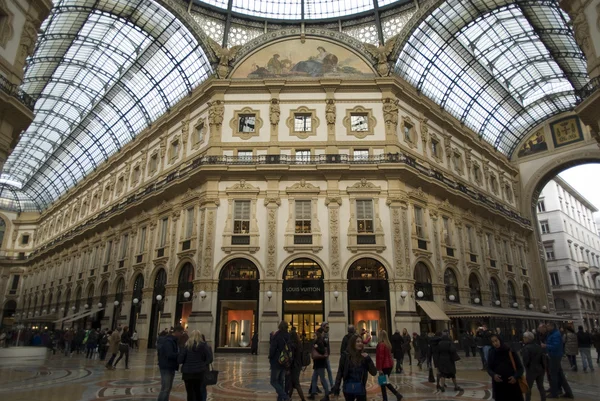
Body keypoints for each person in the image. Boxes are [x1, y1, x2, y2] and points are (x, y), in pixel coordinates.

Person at [332, 334, 377, 401]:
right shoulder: (345, 356)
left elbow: (374, 372)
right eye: (357, 342)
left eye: (361, 342)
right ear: (353, 343)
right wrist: (336, 389)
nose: (360, 343)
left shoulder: (364, 356)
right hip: (348, 389)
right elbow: (340, 372)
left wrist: (369, 359)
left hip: (361, 389)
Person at [487, 333, 524, 401]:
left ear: (500, 340)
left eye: (496, 340)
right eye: (493, 342)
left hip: (512, 385)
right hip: (499, 386)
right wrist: (493, 375)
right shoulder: (491, 352)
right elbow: (489, 368)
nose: (495, 343)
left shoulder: (510, 351)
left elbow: (520, 368)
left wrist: (515, 377)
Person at [178, 330, 213, 401]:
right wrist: (203, 364)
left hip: (187, 372)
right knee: (198, 392)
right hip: (199, 372)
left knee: (190, 393)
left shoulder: (186, 346)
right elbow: (209, 358)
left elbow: (180, 360)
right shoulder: (203, 346)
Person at [543, 322, 574, 399]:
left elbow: (555, 346)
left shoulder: (555, 334)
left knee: (553, 375)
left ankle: (554, 393)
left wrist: (546, 345)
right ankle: (568, 392)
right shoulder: (551, 333)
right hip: (553, 355)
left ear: (552, 326)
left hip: (555, 356)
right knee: (560, 375)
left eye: (548, 326)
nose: (546, 328)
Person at [375, 330, 404, 401]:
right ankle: (396, 395)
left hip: (384, 366)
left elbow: (381, 357)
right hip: (389, 365)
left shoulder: (381, 344)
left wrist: (380, 368)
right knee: (385, 382)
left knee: (384, 383)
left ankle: (392, 396)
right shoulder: (387, 344)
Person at [157, 325, 184, 401]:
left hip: (170, 366)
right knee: (165, 388)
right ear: (177, 332)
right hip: (166, 367)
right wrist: (180, 354)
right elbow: (170, 354)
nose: (182, 335)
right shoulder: (169, 341)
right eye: (181, 333)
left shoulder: (173, 340)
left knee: (167, 388)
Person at [269, 320, 291, 401]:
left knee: (273, 381)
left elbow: (273, 348)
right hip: (285, 361)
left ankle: (284, 396)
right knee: (281, 380)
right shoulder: (288, 336)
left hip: (276, 361)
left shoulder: (277, 335)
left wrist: (270, 357)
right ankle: (280, 398)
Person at [521, 331, 545, 401]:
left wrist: (527, 367)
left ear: (527, 338)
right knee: (541, 387)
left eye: (524, 338)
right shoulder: (538, 346)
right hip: (540, 369)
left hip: (531, 370)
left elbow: (526, 361)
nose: (523, 339)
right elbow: (542, 358)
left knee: (528, 388)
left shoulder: (526, 348)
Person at [308, 328, 330, 401]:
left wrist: (316, 348)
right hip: (318, 363)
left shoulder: (320, 341)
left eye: (316, 333)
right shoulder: (319, 340)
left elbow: (323, 351)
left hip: (320, 363)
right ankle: (313, 393)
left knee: (322, 379)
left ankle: (327, 394)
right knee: (314, 378)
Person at [288, 330, 307, 401]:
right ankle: (288, 397)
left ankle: (303, 399)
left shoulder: (293, 345)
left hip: (294, 366)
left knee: (296, 383)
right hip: (298, 365)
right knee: (292, 384)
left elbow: (291, 357)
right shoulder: (299, 344)